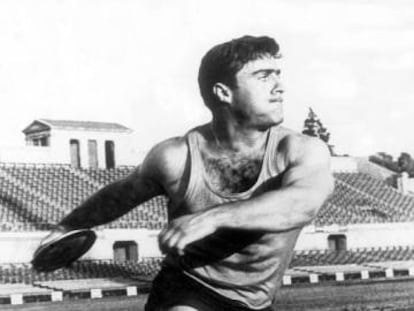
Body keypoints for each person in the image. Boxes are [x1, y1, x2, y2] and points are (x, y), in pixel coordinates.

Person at [44, 35, 334, 311]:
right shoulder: (175, 157)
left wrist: (212, 219)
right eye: (263, 76)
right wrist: (67, 227)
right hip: (188, 288)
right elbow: (120, 196)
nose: (279, 86)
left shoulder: (301, 150)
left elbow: (303, 202)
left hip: (256, 302)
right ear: (223, 92)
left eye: (277, 74)